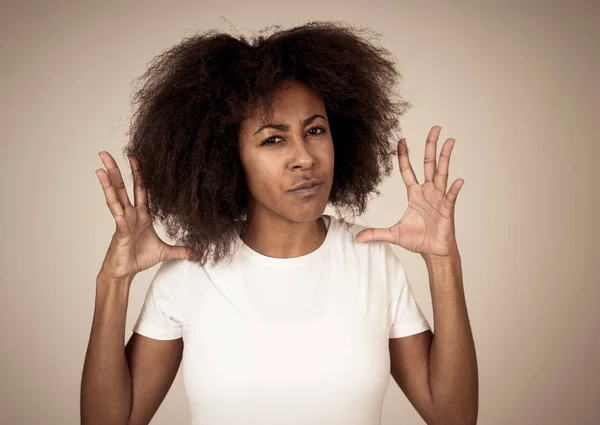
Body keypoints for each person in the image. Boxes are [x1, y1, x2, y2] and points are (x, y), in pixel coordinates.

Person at [81, 21, 478, 425]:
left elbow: (453, 416)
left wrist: (443, 261)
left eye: (316, 130)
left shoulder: (372, 261)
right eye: (273, 139)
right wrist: (113, 281)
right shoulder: (189, 272)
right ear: (227, 158)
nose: (304, 157)